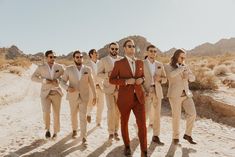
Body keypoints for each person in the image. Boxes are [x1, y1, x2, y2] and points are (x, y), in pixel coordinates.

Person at [109, 39, 147, 157]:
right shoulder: (119, 63)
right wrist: (125, 81)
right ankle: (127, 146)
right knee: (124, 123)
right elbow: (112, 80)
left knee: (142, 125)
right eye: (129, 46)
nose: (132, 48)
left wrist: (142, 80)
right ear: (124, 48)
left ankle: (144, 151)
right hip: (124, 99)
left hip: (139, 98)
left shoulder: (140, 62)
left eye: (133, 46)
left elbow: (143, 77)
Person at [60, 50, 96, 144]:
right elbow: (62, 82)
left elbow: (92, 83)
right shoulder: (68, 69)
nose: (79, 58)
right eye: (77, 57)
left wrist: (95, 95)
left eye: (80, 57)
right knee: (73, 115)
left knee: (83, 116)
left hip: (84, 96)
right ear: (74, 58)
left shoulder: (87, 69)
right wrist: (67, 88)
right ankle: (74, 130)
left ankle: (84, 136)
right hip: (72, 96)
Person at [164, 48, 197, 145]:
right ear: (176, 56)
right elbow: (170, 76)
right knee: (176, 117)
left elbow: (193, 78)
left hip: (186, 94)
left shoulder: (185, 66)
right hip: (175, 95)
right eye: (181, 57)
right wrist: (181, 69)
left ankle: (188, 134)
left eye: (184, 57)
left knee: (192, 114)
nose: (183, 59)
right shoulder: (168, 66)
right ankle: (175, 137)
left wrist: (188, 77)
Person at [31, 50, 64, 139]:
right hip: (45, 93)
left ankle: (56, 132)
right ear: (46, 58)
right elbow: (33, 77)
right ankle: (48, 130)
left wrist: (59, 80)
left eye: (54, 57)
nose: (53, 58)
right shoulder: (41, 67)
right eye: (51, 57)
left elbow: (65, 77)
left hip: (57, 93)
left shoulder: (60, 67)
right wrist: (43, 81)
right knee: (46, 112)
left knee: (56, 113)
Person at [97, 42, 122, 140]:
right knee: (111, 110)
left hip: (120, 89)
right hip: (108, 88)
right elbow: (98, 74)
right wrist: (108, 75)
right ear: (109, 49)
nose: (114, 51)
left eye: (116, 49)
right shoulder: (103, 60)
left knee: (118, 111)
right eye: (112, 49)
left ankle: (116, 131)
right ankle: (111, 132)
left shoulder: (122, 60)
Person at [143, 44, 167, 145]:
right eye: (151, 51)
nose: (153, 53)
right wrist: (143, 91)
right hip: (146, 92)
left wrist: (160, 79)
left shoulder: (159, 64)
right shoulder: (141, 63)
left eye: (154, 51)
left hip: (157, 92)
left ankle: (156, 136)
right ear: (147, 52)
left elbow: (165, 79)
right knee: (145, 114)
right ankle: (142, 135)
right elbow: (138, 79)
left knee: (157, 115)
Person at [86, 49, 105, 126]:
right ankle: (88, 114)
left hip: (101, 87)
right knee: (91, 104)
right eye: (95, 53)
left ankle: (98, 121)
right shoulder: (87, 64)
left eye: (97, 53)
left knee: (101, 105)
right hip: (91, 88)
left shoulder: (101, 63)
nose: (97, 54)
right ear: (91, 54)